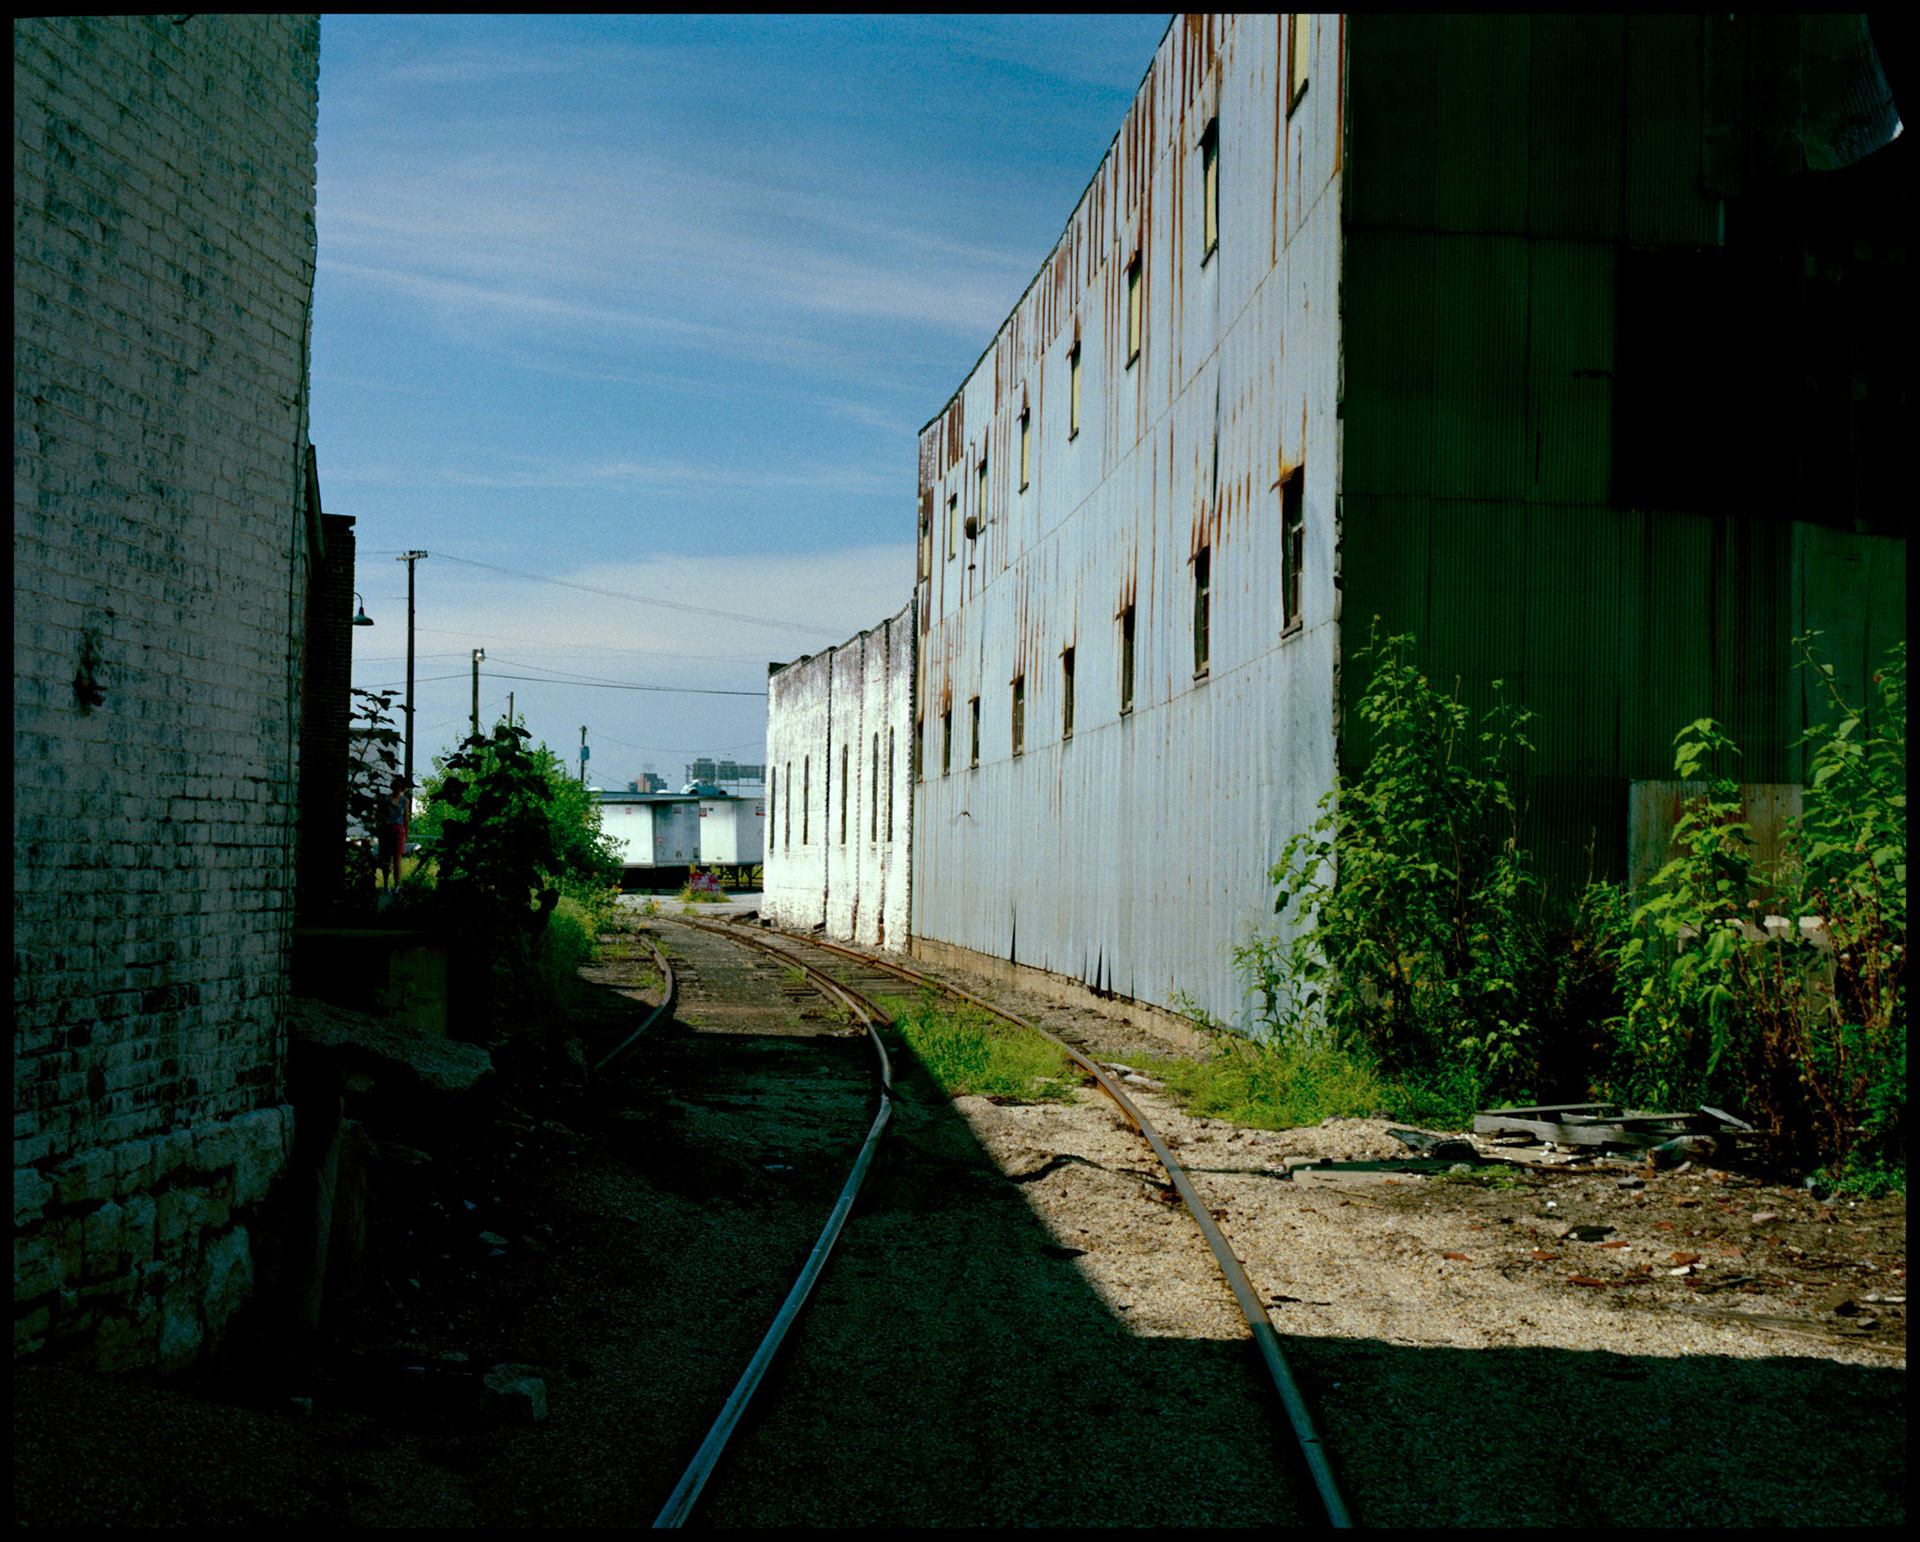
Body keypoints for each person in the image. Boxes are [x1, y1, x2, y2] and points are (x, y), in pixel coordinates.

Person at [377, 775, 409, 887]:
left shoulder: (405, 800)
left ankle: (397, 885)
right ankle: (386, 884)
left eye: (401, 786)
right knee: (386, 858)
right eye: (396, 786)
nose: (398, 788)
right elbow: (379, 816)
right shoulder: (385, 799)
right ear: (393, 786)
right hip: (387, 829)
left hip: (399, 830)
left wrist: (406, 833)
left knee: (397, 860)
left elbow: (406, 818)